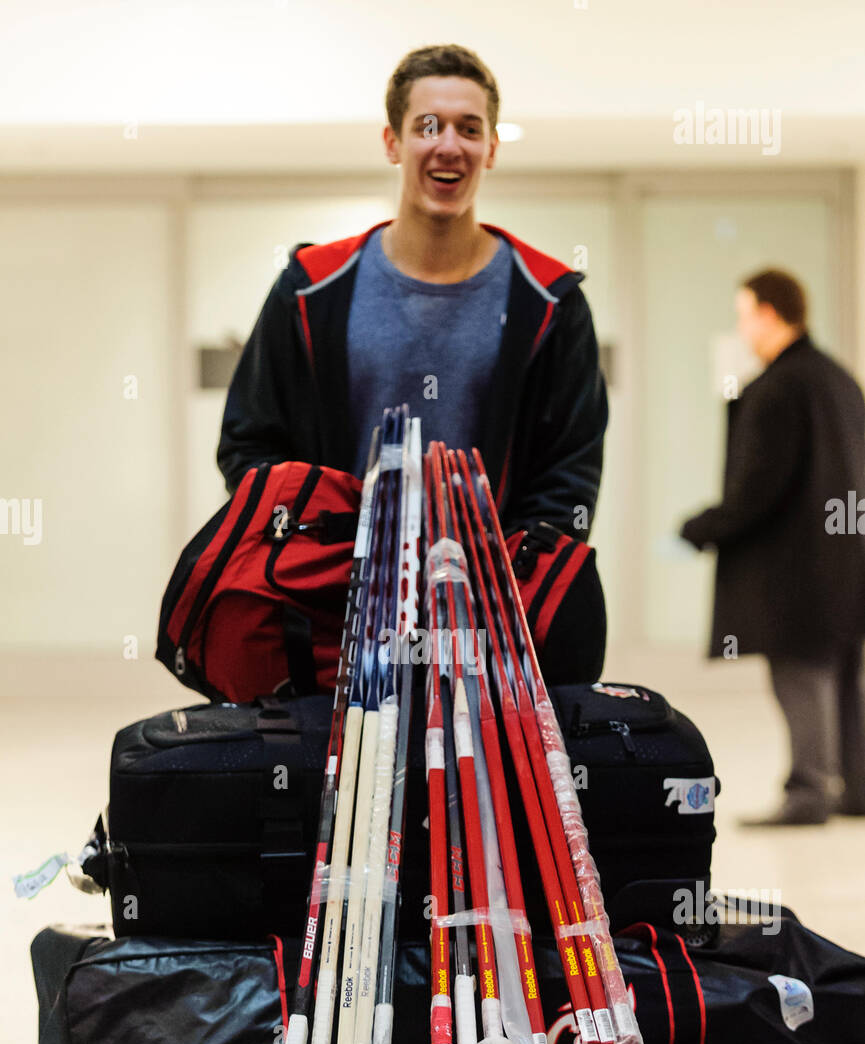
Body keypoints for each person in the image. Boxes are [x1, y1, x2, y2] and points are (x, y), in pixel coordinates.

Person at [216, 43, 608, 546]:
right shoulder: (311, 287)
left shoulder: (550, 303)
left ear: (491, 149)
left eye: (469, 128)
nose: (449, 145)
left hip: (492, 609)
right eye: (428, 126)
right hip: (326, 604)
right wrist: (312, 548)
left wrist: (513, 573)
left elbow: (571, 470)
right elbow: (249, 443)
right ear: (392, 142)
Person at [680, 269, 865, 825]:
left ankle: (809, 792)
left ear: (768, 313)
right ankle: (854, 789)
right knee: (842, 675)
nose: (741, 329)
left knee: (800, 675)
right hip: (846, 560)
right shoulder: (839, 380)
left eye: (743, 315)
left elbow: (758, 488)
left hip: (796, 569)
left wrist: (702, 527)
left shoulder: (778, 386)